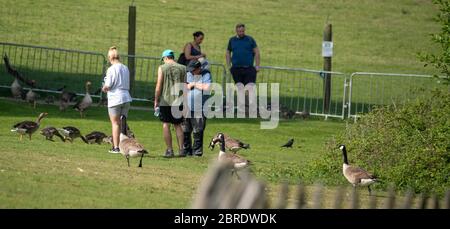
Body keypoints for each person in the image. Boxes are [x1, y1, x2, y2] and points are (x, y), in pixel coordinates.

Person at [154, 49, 186, 158]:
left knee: (166, 124)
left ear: (165, 58)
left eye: (163, 59)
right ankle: (182, 150)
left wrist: (156, 100)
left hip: (166, 100)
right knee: (178, 125)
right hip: (179, 100)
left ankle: (169, 150)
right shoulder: (183, 68)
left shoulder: (162, 68)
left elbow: (159, 85)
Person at [102, 46, 132, 154]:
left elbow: (108, 85)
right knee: (123, 122)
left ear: (110, 57)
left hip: (115, 98)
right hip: (126, 97)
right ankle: (125, 146)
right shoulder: (125, 67)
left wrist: (104, 87)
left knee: (115, 124)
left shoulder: (111, 69)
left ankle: (116, 147)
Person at [225, 23, 260, 115]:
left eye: (243, 31)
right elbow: (228, 52)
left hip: (248, 68)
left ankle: (250, 109)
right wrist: (229, 66)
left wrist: (257, 65)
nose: (241, 33)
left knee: (250, 89)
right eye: (239, 31)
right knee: (240, 89)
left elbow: (256, 52)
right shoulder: (232, 40)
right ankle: (242, 110)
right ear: (236, 31)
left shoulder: (250, 39)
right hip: (236, 69)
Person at [181, 58, 212, 157]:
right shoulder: (188, 73)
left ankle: (197, 152)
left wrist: (194, 84)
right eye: (190, 69)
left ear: (199, 68)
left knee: (198, 131)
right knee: (185, 130)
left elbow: (207, 87)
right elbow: (184, 87)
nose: (191, 71)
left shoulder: (206, 74)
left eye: (193, 70)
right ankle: (187, 150)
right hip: (187, 107)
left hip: (201, 108)